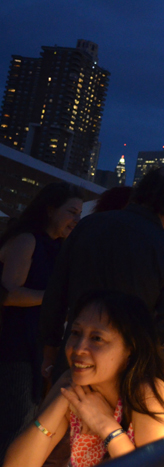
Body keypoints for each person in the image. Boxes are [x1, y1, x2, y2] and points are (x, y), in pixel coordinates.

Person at [4, 290, 164, 467]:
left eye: (97, 338)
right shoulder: (73, 384)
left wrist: (106, 426)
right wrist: (63, 397)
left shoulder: (146, 393)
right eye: (75, 333)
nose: (78, 348)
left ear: (130, 349)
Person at [40, 167, 164, 377]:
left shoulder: (88, 227)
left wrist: (50, 351)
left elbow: (55, 296)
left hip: (72, 362)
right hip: (125, 373)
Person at [0, 182, 83, 460]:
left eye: (79, 214)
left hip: (33, 345)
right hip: (13, 345)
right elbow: (8, 293)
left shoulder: (58, 248)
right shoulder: (27, 240)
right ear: (50, 210)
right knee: (16, 423)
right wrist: (55, 297)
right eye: (71, 211)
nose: (76, 220)